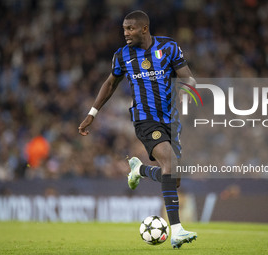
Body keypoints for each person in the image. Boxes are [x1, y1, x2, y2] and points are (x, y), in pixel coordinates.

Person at [78, 10, 197, 248]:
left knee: (174, 179)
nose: (126, 33)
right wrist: (93, 113)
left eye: (130, 29)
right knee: (169, 165)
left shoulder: (169, 48)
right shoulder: (122, 56)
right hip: (145, 120)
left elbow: (189, 79)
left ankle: (140, 170)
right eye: (124, 29)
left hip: (171, 121)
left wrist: (186, 92)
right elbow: (111, 83)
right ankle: (177, 230)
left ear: (144, 28)